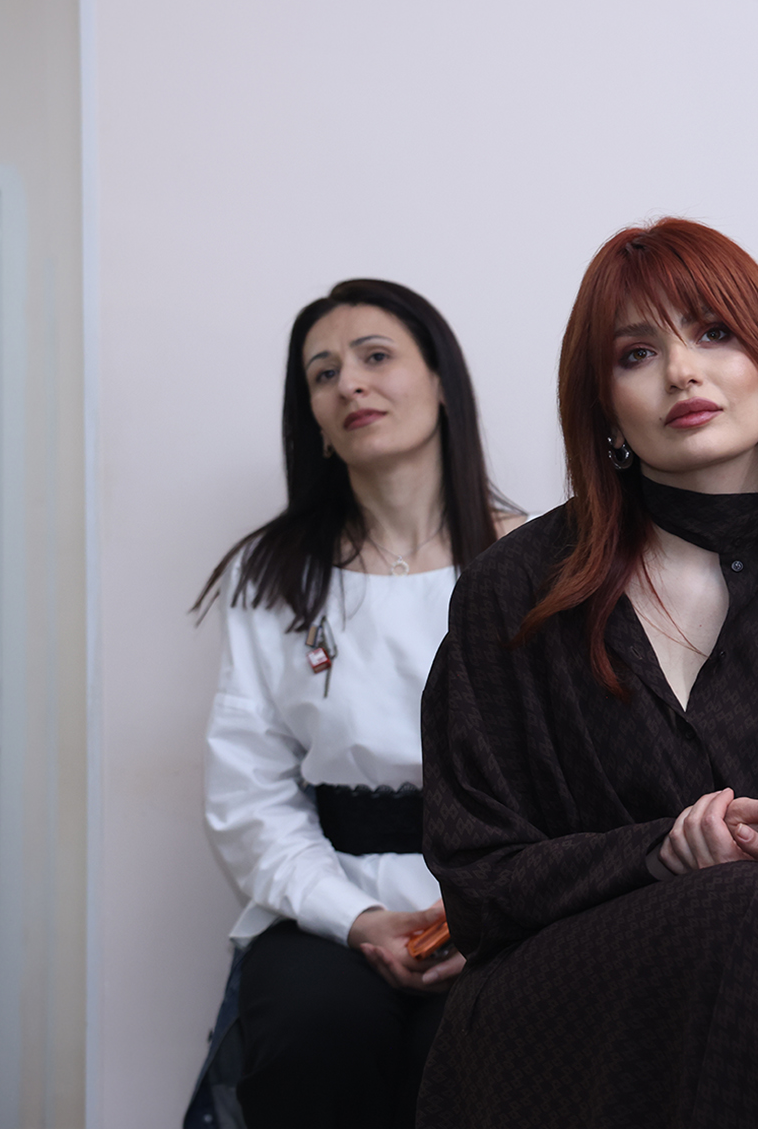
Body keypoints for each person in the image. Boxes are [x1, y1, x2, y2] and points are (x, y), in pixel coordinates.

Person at [415, 218, 758, 1128]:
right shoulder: (515, 591)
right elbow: (476, 882)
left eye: (715, 333)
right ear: (605, 409)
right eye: (638, 353)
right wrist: (660, 853)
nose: (681, 372)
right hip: (575, 1011)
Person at [191, 279, 522, 1129]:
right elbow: (248, 791)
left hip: (501, 899)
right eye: (324, 373)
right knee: (313, 1029)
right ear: (313, 417)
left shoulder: (532, 560)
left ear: (441, 381)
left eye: (376, 357)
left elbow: (570, 775)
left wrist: (489, 909)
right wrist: (360, 919)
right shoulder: (273, 575)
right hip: (330, 900)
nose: (351, 384)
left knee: (476, 1048)